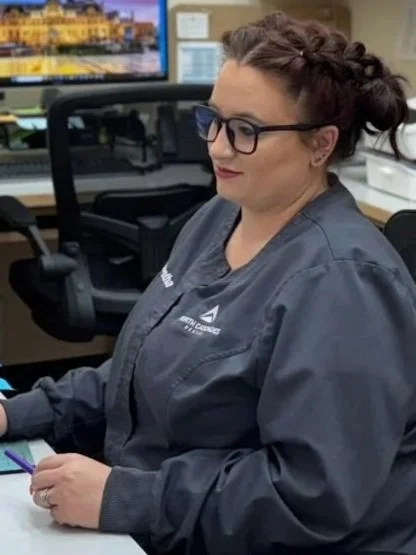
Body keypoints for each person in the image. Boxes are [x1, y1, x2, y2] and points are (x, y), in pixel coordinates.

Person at [1, 10, 416, 555]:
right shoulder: (222, 214)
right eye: (212, 121)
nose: (217, 148)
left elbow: (309, 498)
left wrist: (126, 496)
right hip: (171, 518)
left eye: (246, 131)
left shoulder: (344, 284)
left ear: (320, 145)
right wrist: (19, 411)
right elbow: (147, 364)